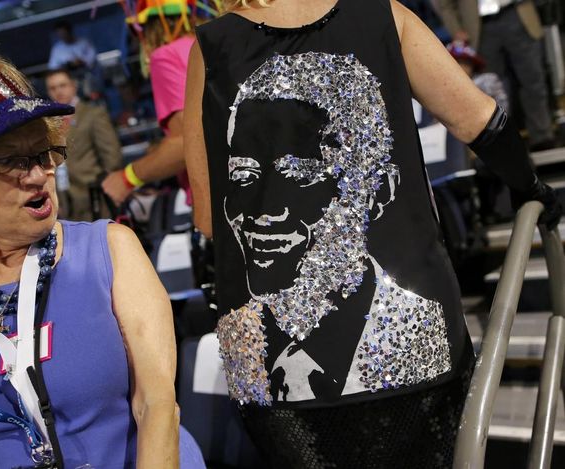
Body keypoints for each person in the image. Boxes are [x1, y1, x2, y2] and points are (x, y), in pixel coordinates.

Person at [183, 0, 561, 467]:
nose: (267, 208)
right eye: (246, 177)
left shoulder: (212, 46)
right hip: (420, 359)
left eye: (299, 176)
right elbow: (478, 121)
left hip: (271, 386)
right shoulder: (383, 14)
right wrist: (534, 189)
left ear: (378, 189)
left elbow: (206, 218)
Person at [0, 47, 205, 468]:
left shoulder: (108, 251)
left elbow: (157, 407)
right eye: (9, 161)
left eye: (41, 153)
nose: (37, 175)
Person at [102, 0, 204, 207]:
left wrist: (127, 178)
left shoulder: (166, 55)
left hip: (221, 200)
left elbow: (186, 142)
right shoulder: (209, 43)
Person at [432, 0, 556, 151]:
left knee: (533, 80)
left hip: (517, 12)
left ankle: (542, 138)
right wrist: (455, 28)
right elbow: (444, 4)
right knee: (489, 91)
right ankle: (503, 145)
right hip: (479, 26)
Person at [45, 69, 123, 221]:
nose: (58, 91)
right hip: (63, 201)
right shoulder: (48, 123)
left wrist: (107, 187)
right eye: (53, 88)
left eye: (62, 85)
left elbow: (112, 156)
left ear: (74, 86)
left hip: (94, 196)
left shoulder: (93, 114)